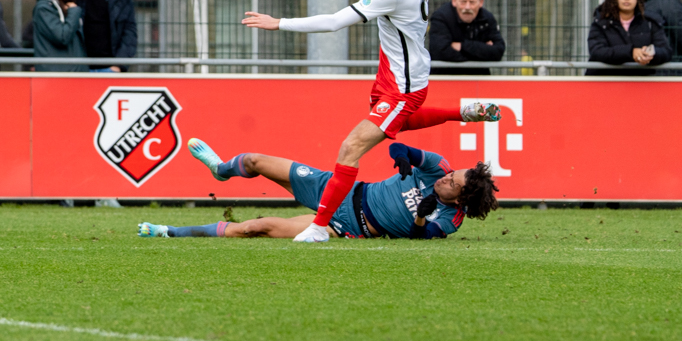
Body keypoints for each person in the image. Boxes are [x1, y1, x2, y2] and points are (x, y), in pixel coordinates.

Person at [242, 0, 515, 243]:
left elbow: (333, 22)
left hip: (403, 87)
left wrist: (280, 23)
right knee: (398, 124)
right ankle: (463, 112)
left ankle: (318, 228)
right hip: (396, 80)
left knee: (351, 147)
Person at [138, 107, 499, 241]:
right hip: (337, 189)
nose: (446, 177)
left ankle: (168, 232)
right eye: (453, 174)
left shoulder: (451, 218)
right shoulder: (438, 167)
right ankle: (220, 169)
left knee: (255, 227)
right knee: (255, 160)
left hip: (342, 226)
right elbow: (399, 146)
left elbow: (426, 237)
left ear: (461, 200)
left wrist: (420, 218)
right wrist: (402, 157)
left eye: (453, 183)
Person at [586, 0, 672, 76]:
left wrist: (651, 54)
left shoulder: (650, 22)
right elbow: (597, 51)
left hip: (640, 84)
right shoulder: (601, 23)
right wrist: (631, 52)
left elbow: (666, 51)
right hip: (607, 83)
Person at [428, 0, 505, 75]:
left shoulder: (487, 18)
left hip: (479, 82)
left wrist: (461, 46)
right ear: (454, 1)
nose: (467, 7)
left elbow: (498, 52)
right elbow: (440, 52)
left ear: (481, 2)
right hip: (446, 80)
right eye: (463, 2)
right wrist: (482, 50)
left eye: (472, 2)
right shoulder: (441, 17)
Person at [31, 0, 87, 72]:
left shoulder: (69, 7)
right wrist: (74, 12)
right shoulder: (43, 8)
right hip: (57, 77)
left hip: (73, 74)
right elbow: (62, 37)